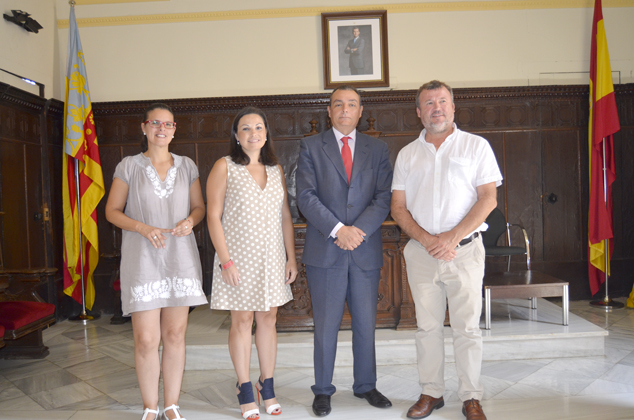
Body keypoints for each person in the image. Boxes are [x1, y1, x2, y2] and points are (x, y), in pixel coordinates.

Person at [390, 80, 503, 420]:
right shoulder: (407, 154)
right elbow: (398, 208)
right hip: (422, 254)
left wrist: (452, 237)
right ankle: (431, 392)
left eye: (442, 101)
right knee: (427, 328)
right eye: (428, 103)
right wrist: (429, 241)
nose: (436, 108)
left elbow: (488, 199)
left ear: (453, 107)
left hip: (464, 252)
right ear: (418, 112)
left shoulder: (476, 146)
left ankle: (471, 396)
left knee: (467, 328)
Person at [105, 103, 208, 420]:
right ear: (144, 127)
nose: (161, 129)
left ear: (175, 130)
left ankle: (172, 404)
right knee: (146, 339)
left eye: (168, 124)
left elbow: (199, 207)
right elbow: (112, 211)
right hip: (142, 259)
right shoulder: (129, 166)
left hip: (180, 257)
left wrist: (190, 221)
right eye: (155, 123)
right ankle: (150, 407)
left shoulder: (187, 165)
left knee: (175, 335)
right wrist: (142, 227)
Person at [296, 85, 393, 417]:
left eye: (352, 104)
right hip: (326, 249)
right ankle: (323, 390)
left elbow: (384, 197)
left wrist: (357, 231)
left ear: (361, 111)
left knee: (366, 323)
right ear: (329, 111)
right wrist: (339, 230)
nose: (345, 110)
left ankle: (366, 385)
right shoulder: (311, 146)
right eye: (338, 104)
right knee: (325, 326)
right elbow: (305, 196)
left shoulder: (377, 148)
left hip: (364, 249)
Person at [206, 106, 298, 420]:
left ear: (266, 133)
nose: (253, 133)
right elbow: (213, 216)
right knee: (242, 321)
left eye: (258, 127)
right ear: (236, 135)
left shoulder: (275, 169)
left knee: (269, 318)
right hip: (238, 259)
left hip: (272, 258)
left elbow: (285, 216)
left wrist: (290, 257)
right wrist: (226, 262)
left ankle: (266, 384)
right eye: (245, 128)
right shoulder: (225, 166)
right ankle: (245, 387)